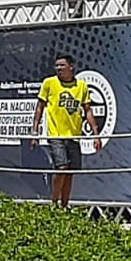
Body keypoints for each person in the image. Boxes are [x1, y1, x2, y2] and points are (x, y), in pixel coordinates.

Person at [31, 53, 102, 210]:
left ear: (71, 67)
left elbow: (88, 111)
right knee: (61, 168)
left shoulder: (81, 86)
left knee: (70, 172)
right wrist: (34, 131)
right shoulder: (49, 83)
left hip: (74, 136)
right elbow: (40, 107)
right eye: (57, 66)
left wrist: (96, 135)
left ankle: (64, 206)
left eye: (62, 65)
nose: (59, 68)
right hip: (56, 134)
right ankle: (54, 203)